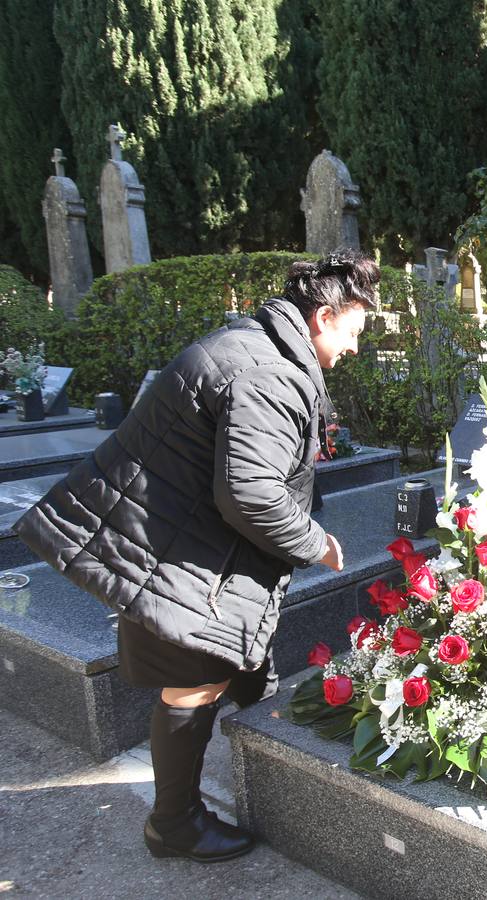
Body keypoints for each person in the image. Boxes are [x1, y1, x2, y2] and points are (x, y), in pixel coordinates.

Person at [15, 250, 378, 862]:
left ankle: (259, 758)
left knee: (231, 672)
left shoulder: (254, 341)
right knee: (193, 684)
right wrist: (315, 543)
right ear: (323, 316)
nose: (355, 348)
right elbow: (250, 494)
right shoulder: (271, 375)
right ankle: (173, 823)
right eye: (355, 331)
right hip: (176, 553)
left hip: (166, 534)